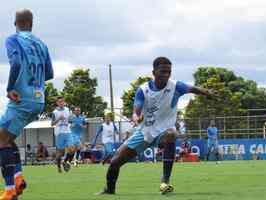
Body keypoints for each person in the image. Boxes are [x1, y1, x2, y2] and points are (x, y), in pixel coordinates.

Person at [96, 56, 216, 195]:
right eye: (162, 71)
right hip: (145, 132)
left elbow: (193, 89)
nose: (166, 74)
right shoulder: (143, 89)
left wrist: (207, 93)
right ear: (154, 72)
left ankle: (164, 181)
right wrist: (136, 116)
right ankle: (109, 190)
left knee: (171, 134)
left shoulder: (175, 86)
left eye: (168, 71)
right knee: (115, 161)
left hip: (164, 131)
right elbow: (136, 110)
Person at [0, 9, 53, 200]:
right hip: (39, 100)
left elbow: (15, 63)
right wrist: (34, 81)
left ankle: (9, 191)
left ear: (15, 23)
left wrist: (10, 88)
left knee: (0, 140)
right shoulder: (41, 44)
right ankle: (18, 179)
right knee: (8, 139)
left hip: (21, 99)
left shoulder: (13, 39)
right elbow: (49, 73)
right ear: (31, 24)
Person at [51, 97, 75, 173]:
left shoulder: (67, 110)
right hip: (59, 133)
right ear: (57, 103)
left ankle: (65, 162)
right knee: (60, 153)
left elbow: (70, 120)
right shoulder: (54, 112)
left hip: (68, 131)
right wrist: (59, 119)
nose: (61, 103)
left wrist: (71, 120)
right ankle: (58, 166)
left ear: (64, 102)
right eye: (59, 102)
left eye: (62, 101)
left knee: (72, 149)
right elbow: (52, 124)